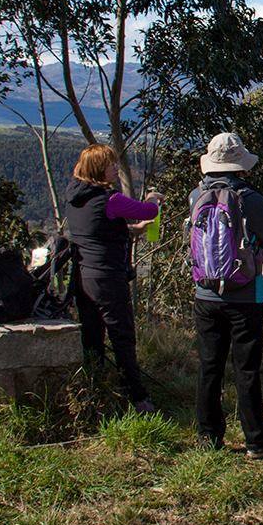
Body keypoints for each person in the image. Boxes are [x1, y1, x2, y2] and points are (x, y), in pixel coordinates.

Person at [187, 132, 263, 457]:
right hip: (246, 295)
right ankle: (257, 438)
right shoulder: (250, 198)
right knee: (247, 368)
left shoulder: (196, 194)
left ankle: (208, 435)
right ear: (239, 164)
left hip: (206, 293)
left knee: (209, 366)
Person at [63, 144, 160, 414]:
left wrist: (131, 231)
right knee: (122, 337)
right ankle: (137, 396)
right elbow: (148, 211)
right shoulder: (110, 199)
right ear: (98, 169)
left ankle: (95, 390)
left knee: (92, 336)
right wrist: (153, 198)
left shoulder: (75, 198)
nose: (116, 168)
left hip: (83, 276)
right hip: (108, 278)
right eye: (111, 164)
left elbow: (97, 231)